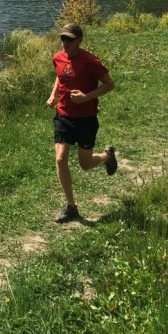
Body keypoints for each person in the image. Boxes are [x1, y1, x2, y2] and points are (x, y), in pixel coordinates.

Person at [46, 22, 117, 223]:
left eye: (69, 39)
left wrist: (87, 97)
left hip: (86, 119)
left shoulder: (90, 61)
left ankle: (107, 156)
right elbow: (60, 77)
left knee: (85, 164)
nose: (64, 43)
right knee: (60, 159)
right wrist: (53, 96)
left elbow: (110, 84)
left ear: (80, 41)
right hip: (64, 116)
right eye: (62, 38)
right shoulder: (58, 58)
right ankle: (71, 207)